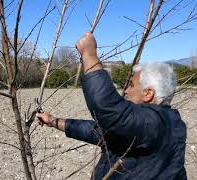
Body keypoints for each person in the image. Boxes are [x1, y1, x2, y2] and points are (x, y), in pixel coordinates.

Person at [36, 32, 187, 179]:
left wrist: (89, 54)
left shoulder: (155, 122)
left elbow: (106, 107)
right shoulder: (155, 123)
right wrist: (53, 121)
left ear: (148, 94)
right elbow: (98, 131)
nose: (126, 90)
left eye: (131, 85)